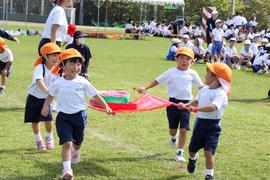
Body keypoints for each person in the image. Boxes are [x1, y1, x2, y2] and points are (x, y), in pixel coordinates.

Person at [41, 48, 112, 179]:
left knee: (77, 141)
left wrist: (106, 106)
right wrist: (46, 107)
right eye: (72, 63)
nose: (76, 67)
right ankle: (67, 170)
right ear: (63, 65)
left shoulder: (83, 81)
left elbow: (95, 95)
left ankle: (77, 149)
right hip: (63, 118)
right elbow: (50, 94)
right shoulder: (58, 82)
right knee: (67, 143)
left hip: (79, 116)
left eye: (78, 64)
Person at [135, 47, 204, 162]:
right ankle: (173, 137)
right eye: (181, 58)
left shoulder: (193, 73)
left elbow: (201, 87)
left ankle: (180, 153)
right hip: (172, 103)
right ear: (176, 59)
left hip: (187, 104)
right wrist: (144, 87)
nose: (184, 61)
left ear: (192, 62)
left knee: (183, 129)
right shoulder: (171, 72)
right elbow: (156, 81)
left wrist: (211, 92)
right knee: (173, 129)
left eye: (188, 59)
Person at [177, 62, 232, 180]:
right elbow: (196, 101)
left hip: (213, 127)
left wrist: (195, 109)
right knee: (192, 150)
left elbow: (213, 107)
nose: (205, 75)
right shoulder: (204, 90)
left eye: (208, 73)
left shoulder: (221, 93)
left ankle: (209, 175)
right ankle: (192, 160)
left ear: (216, 78)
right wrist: (185, 105)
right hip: (200, 124)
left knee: (209, 152)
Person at [24, 43, 61, 151]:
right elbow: (38, 80)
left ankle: (49, 138)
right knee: (35, 120)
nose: (56, 58)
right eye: (53, 55)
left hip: (46, 99)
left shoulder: (58, 70)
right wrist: (47, 91)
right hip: (34, 97)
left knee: (48, 119)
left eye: (57, 55)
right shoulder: (40, 67)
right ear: (45, 56)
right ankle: (38, 140)